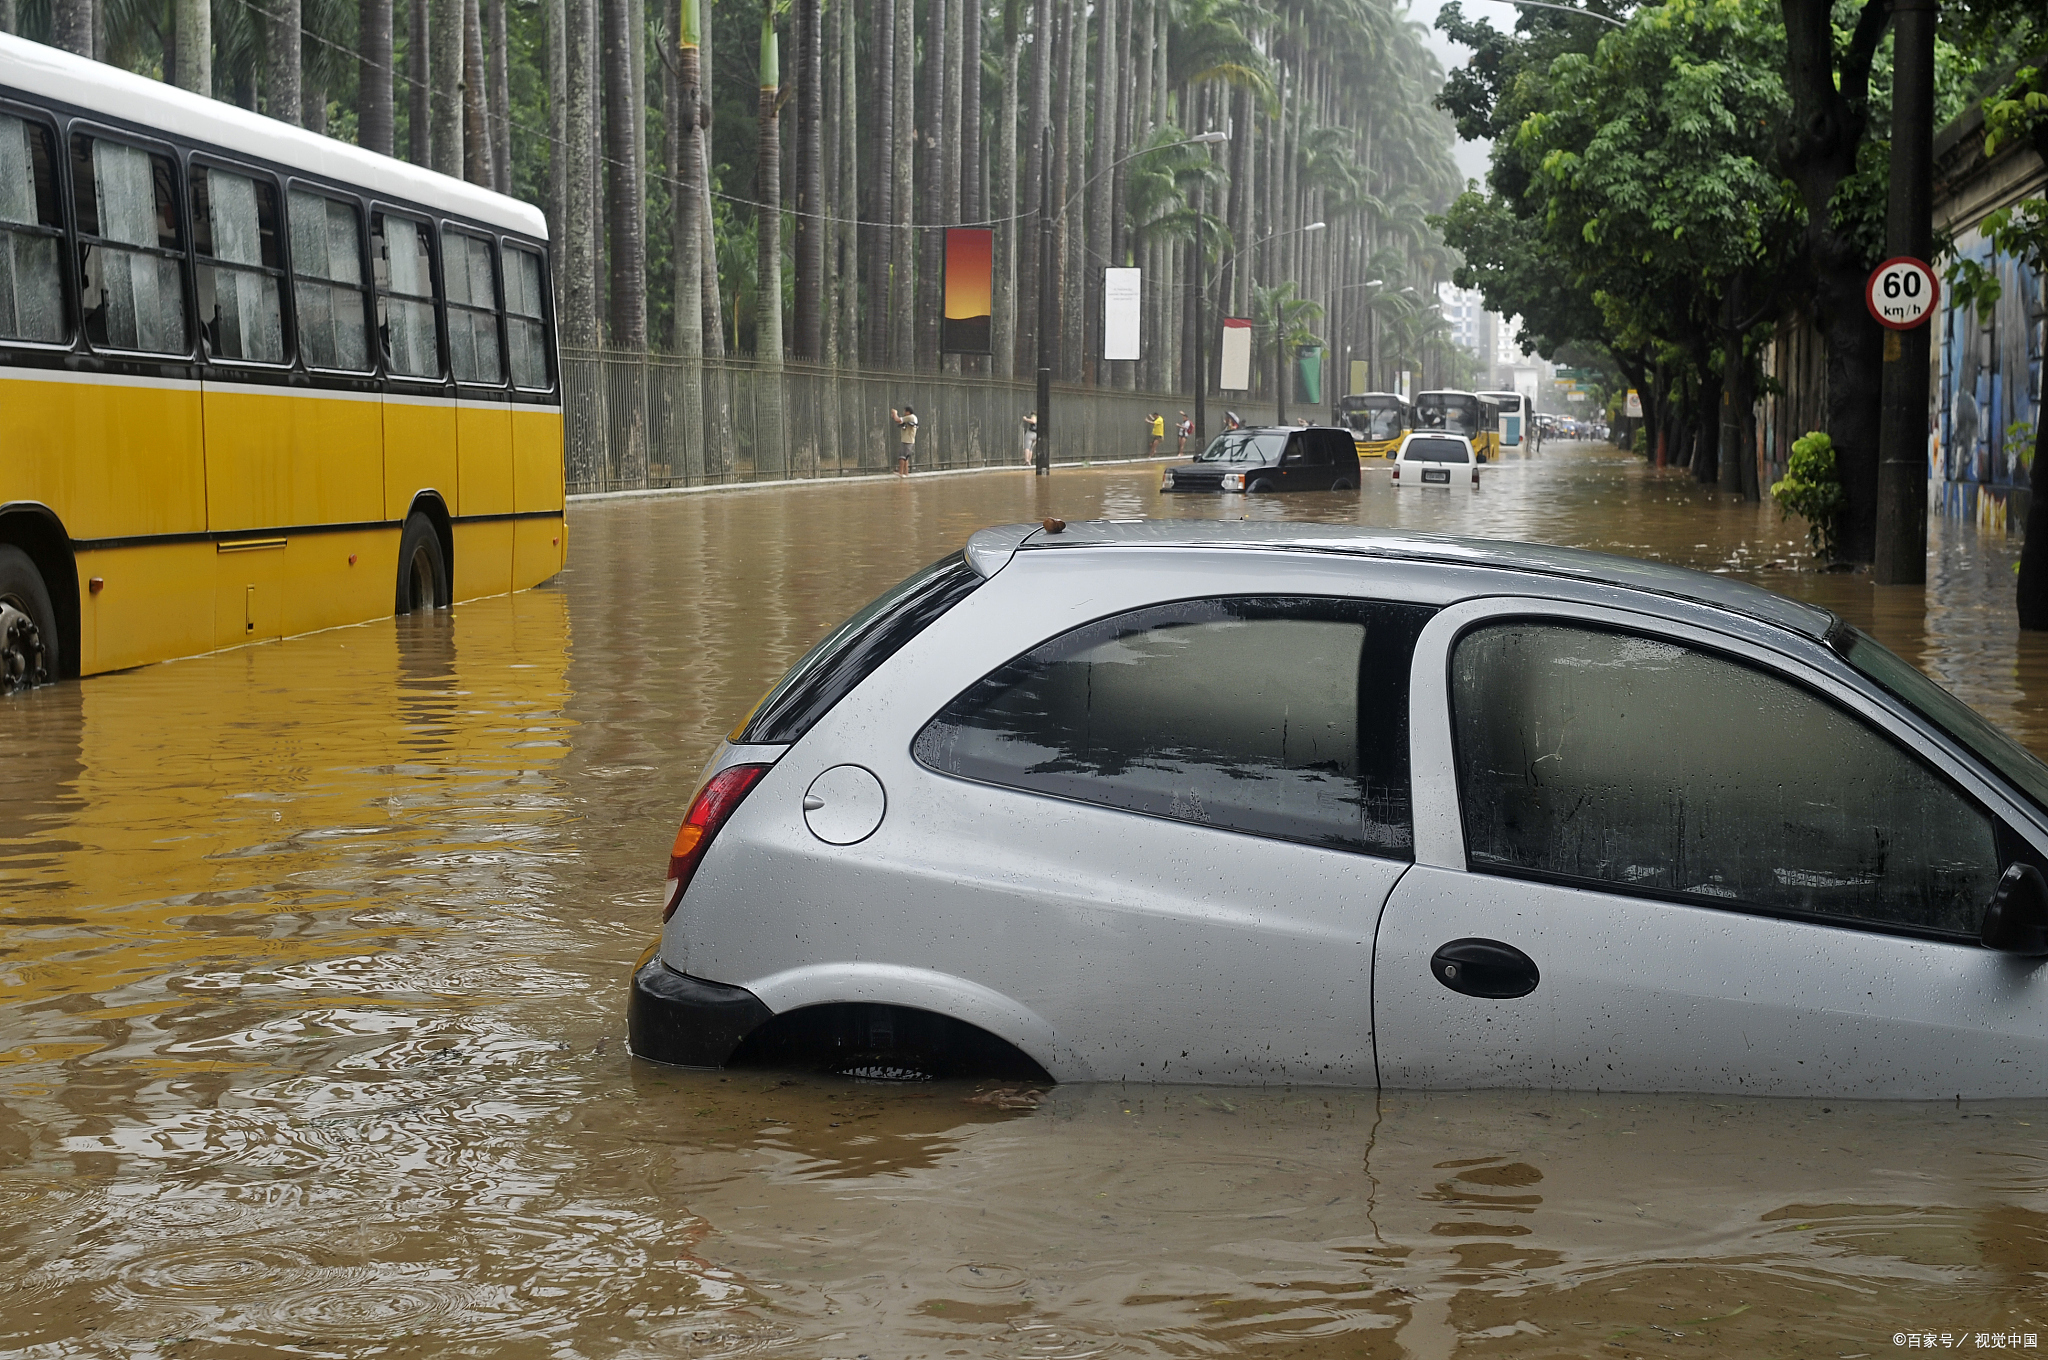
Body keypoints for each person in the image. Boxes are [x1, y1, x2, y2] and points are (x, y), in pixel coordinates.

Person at [892, 406, 919, 475]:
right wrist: (894, 416)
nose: (904, 413)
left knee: (902, 457)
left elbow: (898, 420)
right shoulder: (912, 418)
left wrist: (895, 413)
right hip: (909, 440)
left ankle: (900, 472)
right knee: (905, 457)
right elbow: (900, 422)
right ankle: (905, 472)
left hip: (907, 441)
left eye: (904, 411)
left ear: (908, 412)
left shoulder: (910, 417)